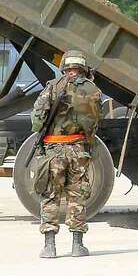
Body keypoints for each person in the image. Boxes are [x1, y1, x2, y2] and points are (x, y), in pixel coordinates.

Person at [32, 50, 103, 258]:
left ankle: (49, 246)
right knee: (77, 196)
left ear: (64, 66)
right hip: (79, 151)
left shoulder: (53, 87)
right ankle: (77, 245)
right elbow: (95, 123)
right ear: (83, 67)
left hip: (53, 151)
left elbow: (37, 120)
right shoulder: (94, 90)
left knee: (50, 195)